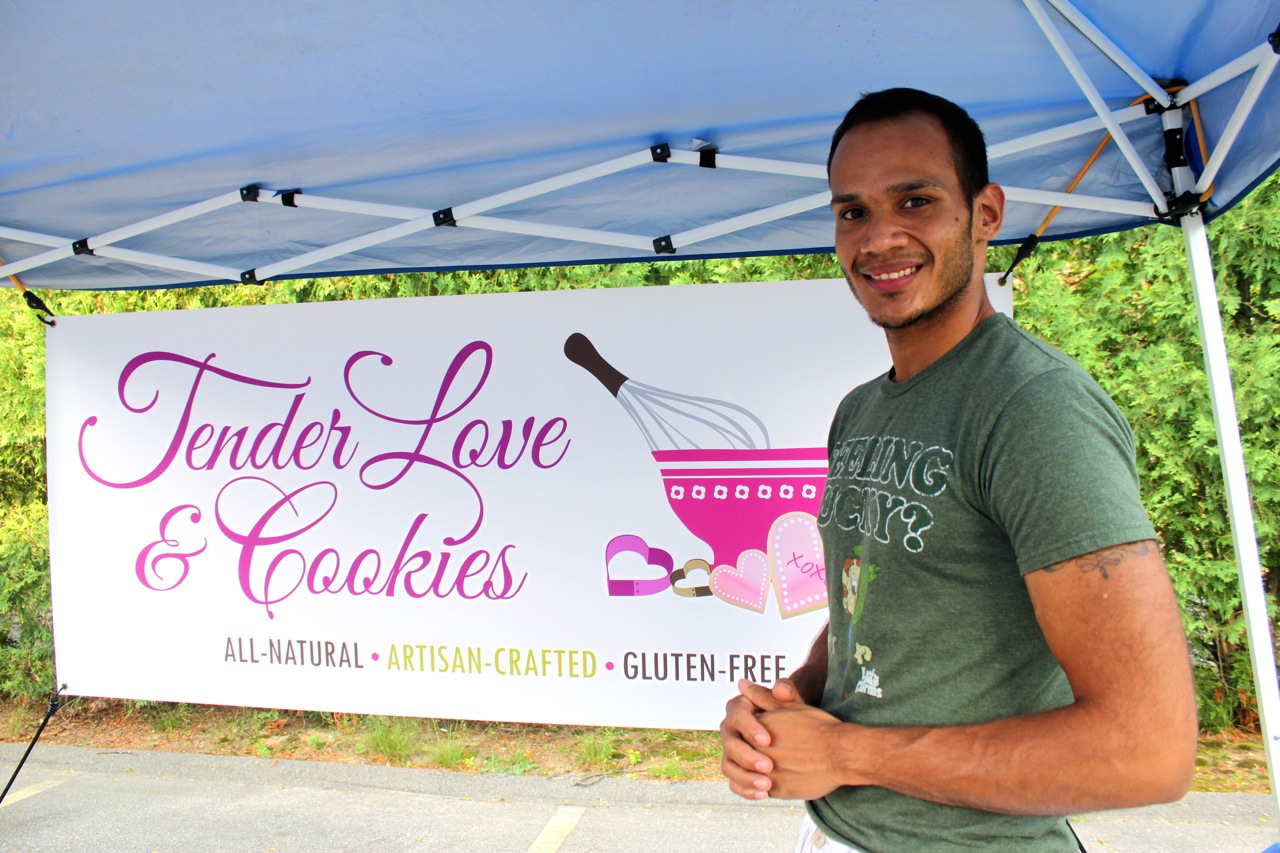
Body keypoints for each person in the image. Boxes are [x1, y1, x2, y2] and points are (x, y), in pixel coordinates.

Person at [719, 88, 1198, 852]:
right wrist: (791, 701)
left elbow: (1149, 749)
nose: (880, 238)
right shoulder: (862, 410)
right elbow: (873, 608)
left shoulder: (1034, 409)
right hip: (841, 828)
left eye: (916, 200)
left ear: (985, 213)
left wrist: (842, 752)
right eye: (853, 212)